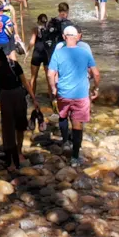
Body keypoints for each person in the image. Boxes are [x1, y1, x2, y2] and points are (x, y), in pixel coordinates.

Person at [46, 24, 99, 163]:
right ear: (77, 37)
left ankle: (65, 142)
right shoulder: (85, 51)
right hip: (81, 94)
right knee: (77, 123)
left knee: (62, 115)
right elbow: (96, 73)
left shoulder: (58, 51)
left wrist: (53, 88)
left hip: (63, 91)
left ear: (64, 37)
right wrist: (96, 88)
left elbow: (50, 73)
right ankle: (75, 157)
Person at [0, 46, 30, 170]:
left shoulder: (13, 65)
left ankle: (18, 152)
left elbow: (25, 81)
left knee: (20, 124)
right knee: (8, 127)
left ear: (0, 59)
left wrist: (33, 98)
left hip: (17, 94)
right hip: (5, 96)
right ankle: (11, 155)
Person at [27, 2, 70, 113]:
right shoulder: (50, 28)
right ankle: (52, 98)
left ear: (38, 21)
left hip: (36, 54)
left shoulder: (35, 29)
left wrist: (27, 51)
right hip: (46, 54)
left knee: (33, 77)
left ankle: (32, 97)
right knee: (49, 77)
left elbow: (32, 42)